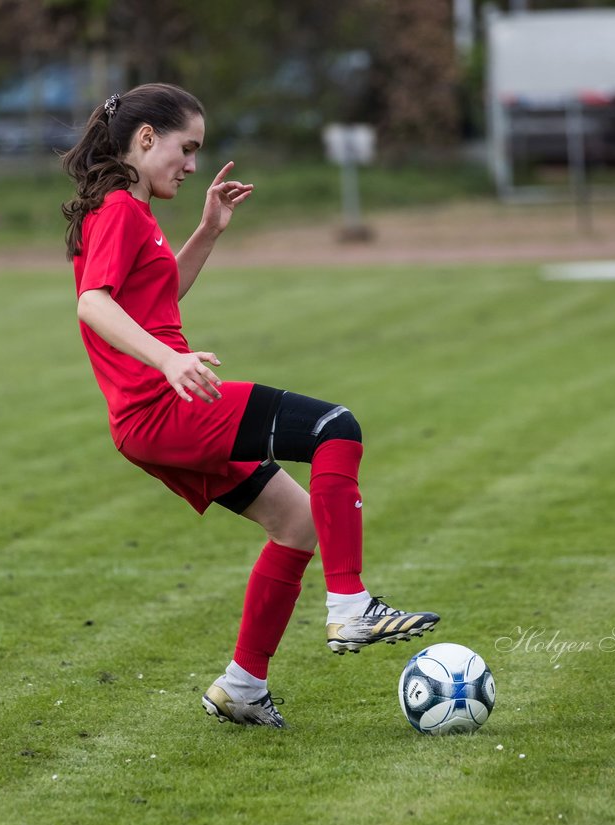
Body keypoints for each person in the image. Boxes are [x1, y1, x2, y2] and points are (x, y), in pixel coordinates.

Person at [62, 83, 438, 728]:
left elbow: (156, 298)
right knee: (334, 427)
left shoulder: (126, 207)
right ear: (146, 138)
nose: (192, 165)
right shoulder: (122, 209)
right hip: (164, 405)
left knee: (296, 522)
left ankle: (242, 686)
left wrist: (207, 231)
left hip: (151, 416)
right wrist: (169, 360)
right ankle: (350, 606)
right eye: (187, 148)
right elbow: (93, 303)